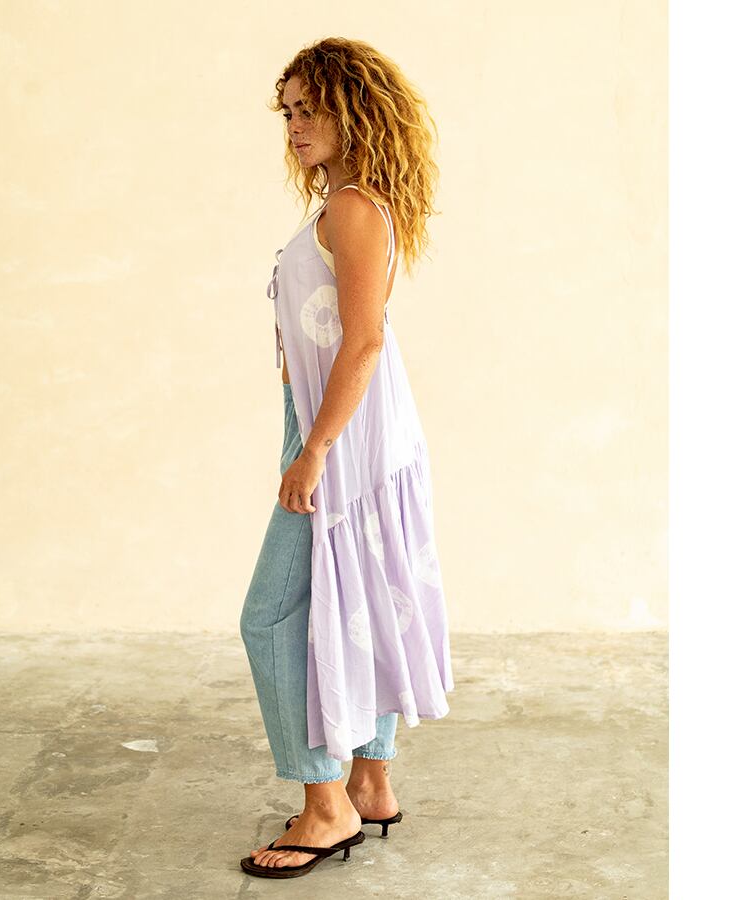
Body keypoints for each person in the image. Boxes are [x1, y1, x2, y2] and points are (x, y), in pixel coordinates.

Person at [239, 37, 455, 879]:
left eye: (311, 109)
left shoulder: (355, 208)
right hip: (350, 426)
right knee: (358, 594)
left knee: (270, 616)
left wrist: (315, 449)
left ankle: (325, 806)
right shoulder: (347, 203)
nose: (295, 125)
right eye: (288, 111)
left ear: (353, 111)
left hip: (345, 433)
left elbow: (364, 340)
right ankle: (370, 781)